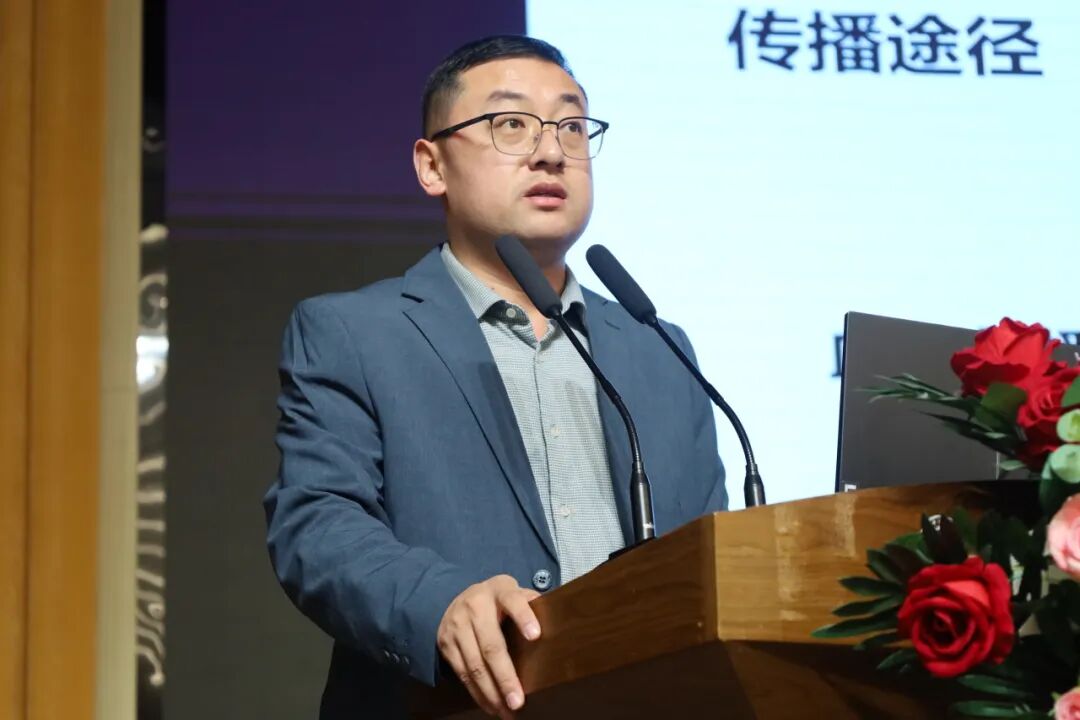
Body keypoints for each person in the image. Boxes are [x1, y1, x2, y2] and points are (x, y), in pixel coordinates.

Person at [264, 35, 727, 719]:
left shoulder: (658, 347)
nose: (551, 152)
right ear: (432, 166)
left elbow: (710, 552)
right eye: (511, 124)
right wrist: (439, 603)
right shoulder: (354, 333)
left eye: (572, 125)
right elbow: (318, 525)